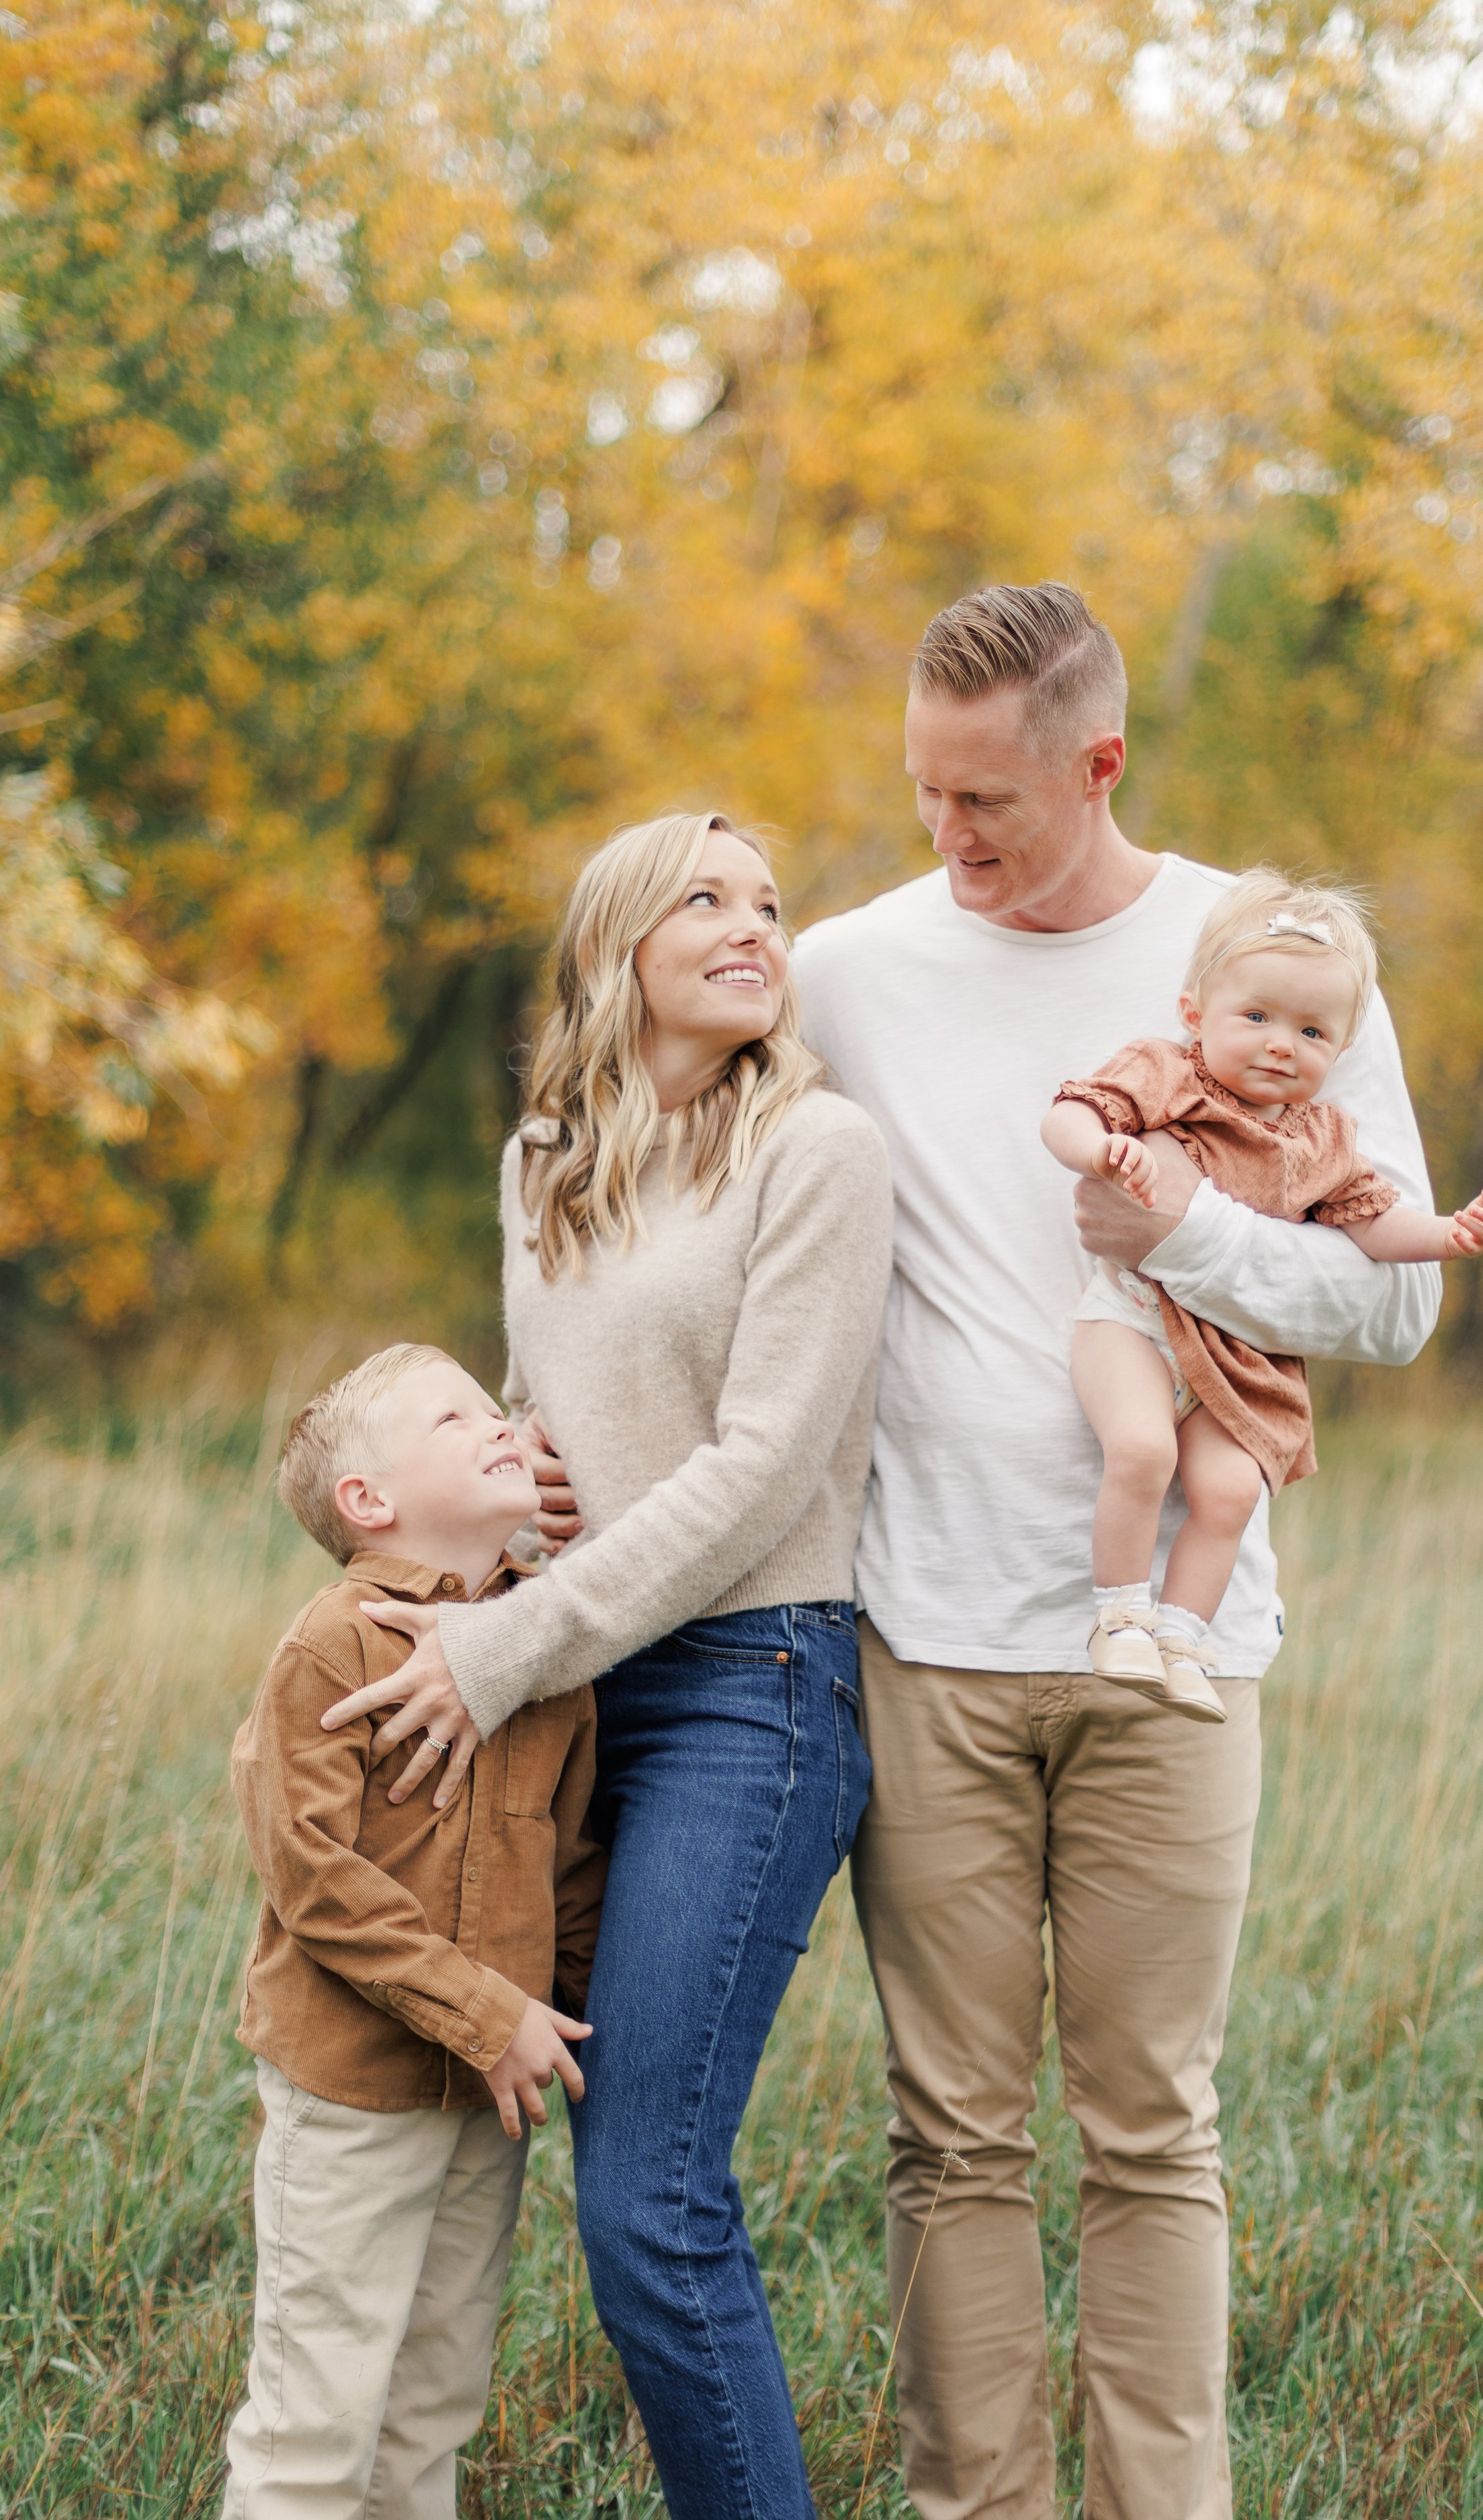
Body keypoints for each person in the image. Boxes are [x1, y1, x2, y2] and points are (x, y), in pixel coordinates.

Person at [790, 584, 1442, 2520]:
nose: (947, 833)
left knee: (1153, 2127)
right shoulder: (844, 971)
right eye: (923, 790)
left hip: (1175, 1643)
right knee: (950, 2135)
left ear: (1100, 765)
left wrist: (1182, 1237)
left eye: (986, 798)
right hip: (926, 1634)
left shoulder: (1271, 958)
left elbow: (1395, 1299)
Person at [316, 813, 894, 2520]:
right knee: (487, 2135)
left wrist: (504, 1641)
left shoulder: (818, 1149)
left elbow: (765, 1467)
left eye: (769, 903)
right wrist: (524, 1471)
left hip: (744, 1685)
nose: (754, 924)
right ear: (612, 948)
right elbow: (544, 1409)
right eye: (704, 899)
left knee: (649, 2195)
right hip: (570, 1688)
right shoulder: (544, 1158)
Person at [222, 1341, 605, 2520]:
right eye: (453, 1418)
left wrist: (565, 2014)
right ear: (368, 1499)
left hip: (486, 2107)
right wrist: (490, 2014)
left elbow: (572, 1866)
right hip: (354, 2098)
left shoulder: (545, 1650)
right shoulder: (335, 1642)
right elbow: (314, 1879)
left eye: (494, 1408)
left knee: (433, 2402)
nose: (496, 1424)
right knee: (317, 2413)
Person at [1042, 865, 1483, 1720]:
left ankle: (1183, 1638)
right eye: (1256, 1018)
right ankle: (1120, 1620)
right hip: (1134, 1322)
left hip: (1236, 1356)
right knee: (1143, 1450)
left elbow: (1374, 1226)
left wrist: (1448, 1234)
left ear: (1340, 1050)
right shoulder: (1166, 1073)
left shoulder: (1323, 1139)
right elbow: (1070, 1113)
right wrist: (1100, 1151)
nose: (1280, 1045)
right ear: (1196, 1014)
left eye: (1310, 1031)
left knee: (1230, 1492)